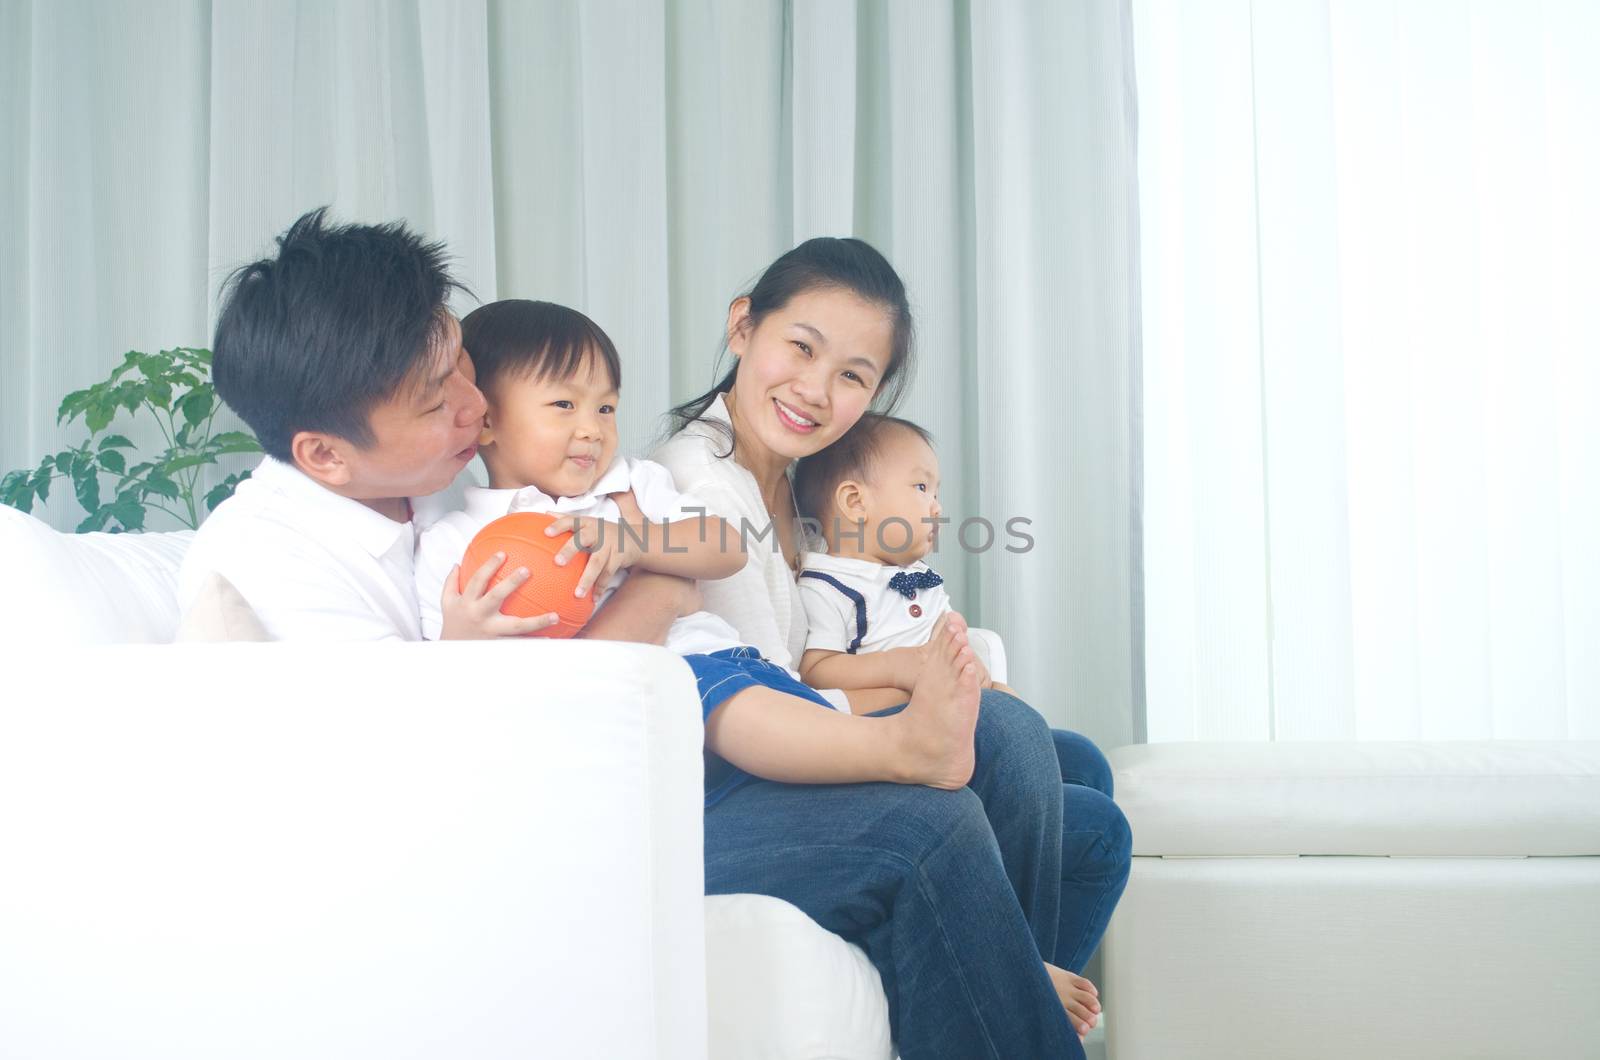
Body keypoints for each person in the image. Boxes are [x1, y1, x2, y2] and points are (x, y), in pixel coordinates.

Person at [652, 237, 1130, 1057]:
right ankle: (1007, 982)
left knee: (1082, 787)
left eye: (853, 375)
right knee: (1009, 739)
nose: (816, 390)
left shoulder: (801, 472)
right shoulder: (702, 486)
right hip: (738, 778)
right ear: (743, 327)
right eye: (800, 348)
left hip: (797, 739)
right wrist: (913, 682)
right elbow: (772, 700)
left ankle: (999, 980)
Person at [413, 298, 994, 804]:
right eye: (564, 406)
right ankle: (904, 747)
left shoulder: (631, 485)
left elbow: (726, 548)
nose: (591, 428)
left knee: (766, 705)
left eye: (606, 408)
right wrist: (458, 638)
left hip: (722, 660)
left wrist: (638, 542)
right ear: (485, 422)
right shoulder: (456, 540)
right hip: (655, 693)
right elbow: (460, 693)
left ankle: (910, 731)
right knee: (740, 708)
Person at [178, 208, 694, 645]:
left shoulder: (434, 479)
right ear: (326, 455)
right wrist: (660, 591)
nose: (477, 404)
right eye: (434, 402)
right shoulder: (267, 567)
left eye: (461, 363)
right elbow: (431, 737)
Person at [791, 411, 1017, 695]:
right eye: (922, 488)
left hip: (949, 704)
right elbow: (815, 671)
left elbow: (952, 641)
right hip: (889, 719)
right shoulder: (827, 587)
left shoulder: (921, 576)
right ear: (855, 502)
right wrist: (895, 667)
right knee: (1011, 721)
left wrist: (973, 664)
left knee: (1041, 721)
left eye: (936, 494)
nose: (937, 508)